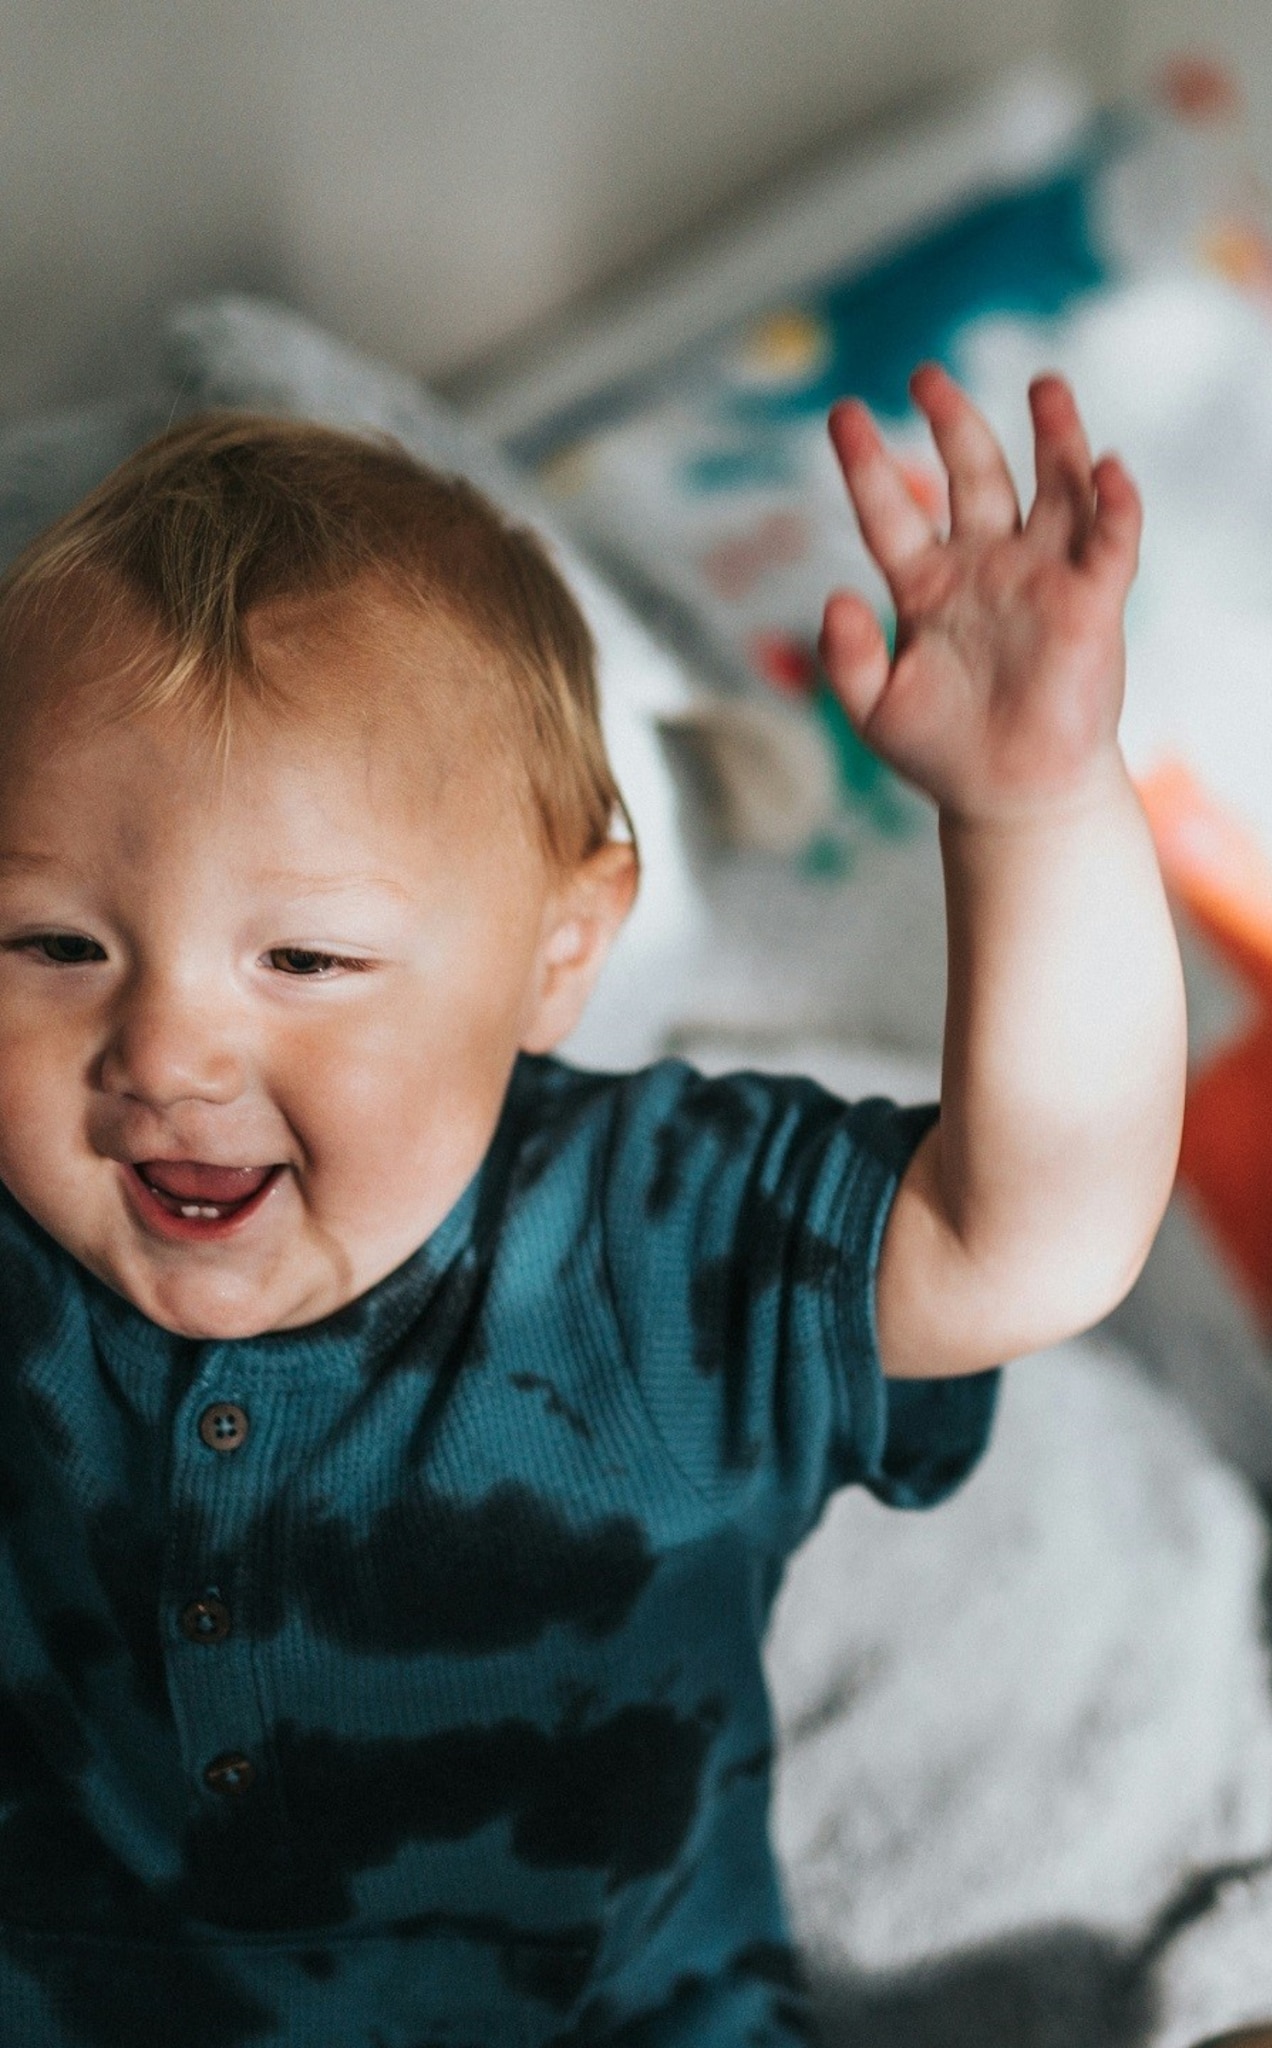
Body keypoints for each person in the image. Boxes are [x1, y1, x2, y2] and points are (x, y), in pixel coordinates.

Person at [0, 366, 1184, 2042]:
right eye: (53, 945)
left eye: (308, 960)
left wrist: (1036, 809)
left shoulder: (660, 1245)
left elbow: (1026, 1241)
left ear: (562, 952)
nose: (167, 1052)